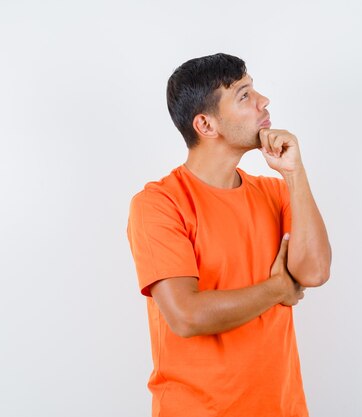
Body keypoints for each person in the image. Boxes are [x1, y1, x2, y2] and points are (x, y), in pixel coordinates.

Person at [126, 53, 332, 417]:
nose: (263, 101)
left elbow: (313, 272)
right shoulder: (159, 204)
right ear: (206, 125)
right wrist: (278, 289)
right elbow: (186, 316)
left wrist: (294, 172)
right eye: (244, 94)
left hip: (282, 409)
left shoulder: (275, 192)